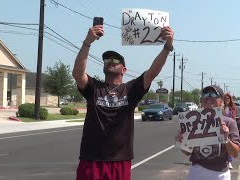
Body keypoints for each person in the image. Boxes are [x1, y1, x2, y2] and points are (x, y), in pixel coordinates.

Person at [72, 22, 174, 180]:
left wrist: (167, 47)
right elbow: (78, 74)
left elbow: (152, 71)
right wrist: (87, 42)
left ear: (124, 69)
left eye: (115, 60)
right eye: (107, 60)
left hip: (120, 160)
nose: (110, 61)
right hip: (91, 159)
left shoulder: (131, 90)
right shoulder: (94, 88)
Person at [176, 85, 240, 180]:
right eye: (205, 94)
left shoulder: (229, 122)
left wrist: (226, 139)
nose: (209, 97)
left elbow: (235, 153)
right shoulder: (193, 121)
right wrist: (182, 142)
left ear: (222, 101)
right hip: (196, 173)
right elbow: (187, 152)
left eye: (214, 94)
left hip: (219, 175)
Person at [223, 93, 237, 170]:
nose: (226, 100)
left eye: (228, 99)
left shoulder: (232, 108)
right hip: (223, 128)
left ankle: (230, 162)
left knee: (230, 144)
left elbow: (233, 119)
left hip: (230, 128)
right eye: (225, 99)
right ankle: (225, 160)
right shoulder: (221, 107)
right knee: (224, 145)